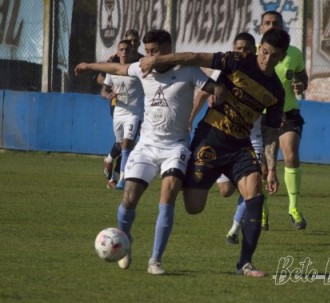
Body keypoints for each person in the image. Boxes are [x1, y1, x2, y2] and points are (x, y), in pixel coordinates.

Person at [140, 28, 289, 277]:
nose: (267, 59)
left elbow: (271, 133)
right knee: (193, 207)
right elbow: (194, 58)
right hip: (210, 138)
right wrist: (157, 59)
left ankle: (245, 264)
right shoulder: (237, 60)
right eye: (264, 52)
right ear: (259, 47)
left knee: (255, 195)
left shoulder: (276, 91)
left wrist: (272, 168)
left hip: (240, 146)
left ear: (282, 57)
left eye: (274, 56)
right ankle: (181, 169)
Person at [75, 29, 222, 275]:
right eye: (148, 51)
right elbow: (117, 70)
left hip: (175, 146)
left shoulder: (186, 70)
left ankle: (155, 260)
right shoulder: (141, 68)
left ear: (168, 50)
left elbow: (214, 86)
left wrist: (217, 96)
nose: (150, 56)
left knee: (169, 193)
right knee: (129, 198)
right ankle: (125, 243)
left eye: (156, 51)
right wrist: (89, 65)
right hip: (147, 146)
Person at [188, 32, 264, 245]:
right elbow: (203, 93)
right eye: (239, 48)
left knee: (252, 187)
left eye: (247, 48)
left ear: (255, 51)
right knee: (225, 190)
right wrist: (190, 119)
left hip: (251, 138)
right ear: (233, 48)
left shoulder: (263, 75)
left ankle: (234, 229)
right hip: (219, 137)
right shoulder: (224, 69)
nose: (243, 52)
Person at [257, 10, 309, 231]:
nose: (270, 26)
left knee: (291, 154)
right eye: (266, 23)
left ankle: (294, 208)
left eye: (275, 23)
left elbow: (302, 76)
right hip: (261, 116)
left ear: (282, 26)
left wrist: (301, 84)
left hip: (288, 113)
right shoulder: (256, 54)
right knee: (261, 166)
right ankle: (262, 211)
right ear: (261, 28)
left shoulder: (293, 54)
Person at [100, 29, 145, 189]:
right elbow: (103, 86)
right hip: (118, 110)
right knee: (121, 144)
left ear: (136, 47)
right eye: (122, 49)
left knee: (127, 145)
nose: (126, 51)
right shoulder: (112, 66)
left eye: (130, 47)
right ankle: (110, 162)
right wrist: (108, 94)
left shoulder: (141, 65)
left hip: (135, 112)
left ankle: (121, 180)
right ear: (118, 52)